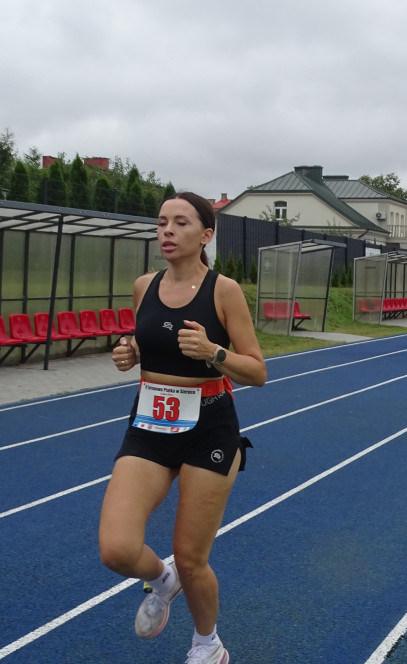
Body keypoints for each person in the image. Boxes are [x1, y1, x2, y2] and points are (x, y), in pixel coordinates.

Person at [99, 192, 267, 664]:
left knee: (191, 557)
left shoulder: (223, 291)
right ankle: (162, 578)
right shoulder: (143, 286)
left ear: (205, 234)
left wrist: (214, 353)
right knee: (116, 548)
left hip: (209, 426)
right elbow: (145, 344)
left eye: (179, 223)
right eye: (161, 223)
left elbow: (257, 371)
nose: (167, 231)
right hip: (150, 422)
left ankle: (207, 645)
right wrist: (128, 354)